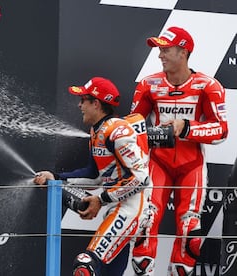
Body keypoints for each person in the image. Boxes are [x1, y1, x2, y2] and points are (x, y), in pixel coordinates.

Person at [130, 26, 228, 276]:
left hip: (191, 164)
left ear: (183, 52)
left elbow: (221, 131)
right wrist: (144, 133)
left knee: (189, 230)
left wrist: (186, 128)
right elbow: (132, 126)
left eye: (165, 49)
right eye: (159, 50)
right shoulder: (148, 85)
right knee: (146, 219)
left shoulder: (209, 86)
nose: (160, 55)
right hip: (158, 162)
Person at [34, 77, 152, 276]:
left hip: (132, 208)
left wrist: (101, 199)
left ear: (96, 103)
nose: (79, 105)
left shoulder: (117, 131)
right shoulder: (96, 132)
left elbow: (142, 178)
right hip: (116, 207)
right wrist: (56, 177)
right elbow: (95, 175)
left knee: (86, 264)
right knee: (109, 272)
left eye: (83, 100)